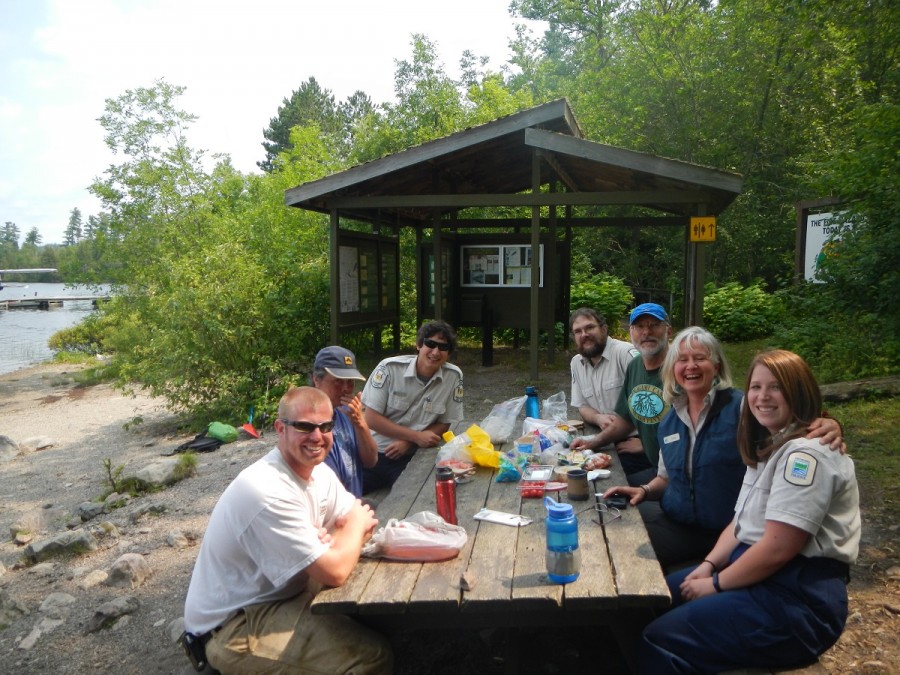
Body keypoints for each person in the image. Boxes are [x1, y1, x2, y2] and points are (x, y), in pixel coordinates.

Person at [639, 350, 860, 673]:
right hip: (757, 575)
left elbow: (778, 548)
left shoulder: (805, 456)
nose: (762, 397)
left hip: (796, 599)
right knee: (651, 599)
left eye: (776, 387)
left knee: (660, 638)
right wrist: (709, 565)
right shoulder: (769, 446)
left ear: (799, 391)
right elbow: (740, 522)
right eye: (756, 387)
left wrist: (715, 584)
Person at [182, 386, 393, 674]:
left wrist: (338, 539)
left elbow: (364, 520)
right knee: (371, 657)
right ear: (280, 429)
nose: (317, 436)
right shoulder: (265, 490)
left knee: (377, 602)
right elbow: (337, 567)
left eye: (325, 426)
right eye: (305, 426)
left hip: (283, 593)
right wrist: (345, 534)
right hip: (236, 624)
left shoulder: (318, 472)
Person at [602, 327, 844, 572]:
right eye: (682, 360)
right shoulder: (670, 419)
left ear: (716, 366)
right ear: (672, 369)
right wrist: (643, 490)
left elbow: (788, 426)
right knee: (611, 527)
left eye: (700, 358)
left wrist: (829, 422)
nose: (691, 366)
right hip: (676, 521)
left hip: (725, 531)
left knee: (625, 558)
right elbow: (665, 477)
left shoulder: (742, 409)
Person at [573, 303, 672, 484]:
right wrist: (593, 442)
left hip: (674, 472)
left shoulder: (680, 369)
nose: (646, 332)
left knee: (605, 488)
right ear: (631, 332)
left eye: (654, 325)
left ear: (668, 331)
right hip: (657, 466)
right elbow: (625, 419)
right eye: (640, 327)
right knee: (588, 480)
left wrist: (645, 443)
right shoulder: (637, 366)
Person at [361, 320, 464, 493]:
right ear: (418, 345)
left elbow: (446, 422)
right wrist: (415, 436)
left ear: (449, 353)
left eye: (443, 347)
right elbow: (371, 419)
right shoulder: (389, 368)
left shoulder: (453, 376)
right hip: (372, 455)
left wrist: (408, 442)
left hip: (412, 458)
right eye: (430, 344)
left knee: (412, 499)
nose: (435, 352)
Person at [312, 346, 378, 497]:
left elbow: (371, 461)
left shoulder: (346, 413)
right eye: (338, 381)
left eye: (350, 382)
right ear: (317, 379)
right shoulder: (311, 425)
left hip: (353, 504)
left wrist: (360, 423)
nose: (346, 389)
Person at [568, 307, 639, 430]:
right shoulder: (576, 363)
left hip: (633, 437)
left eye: (590, 327)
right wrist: (598, 418)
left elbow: (651, 400)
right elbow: (582, 406)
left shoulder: (625, 354)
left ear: (604, 329)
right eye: (578, 331)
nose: (584, 334)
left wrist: (642, 442)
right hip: (604, 436)